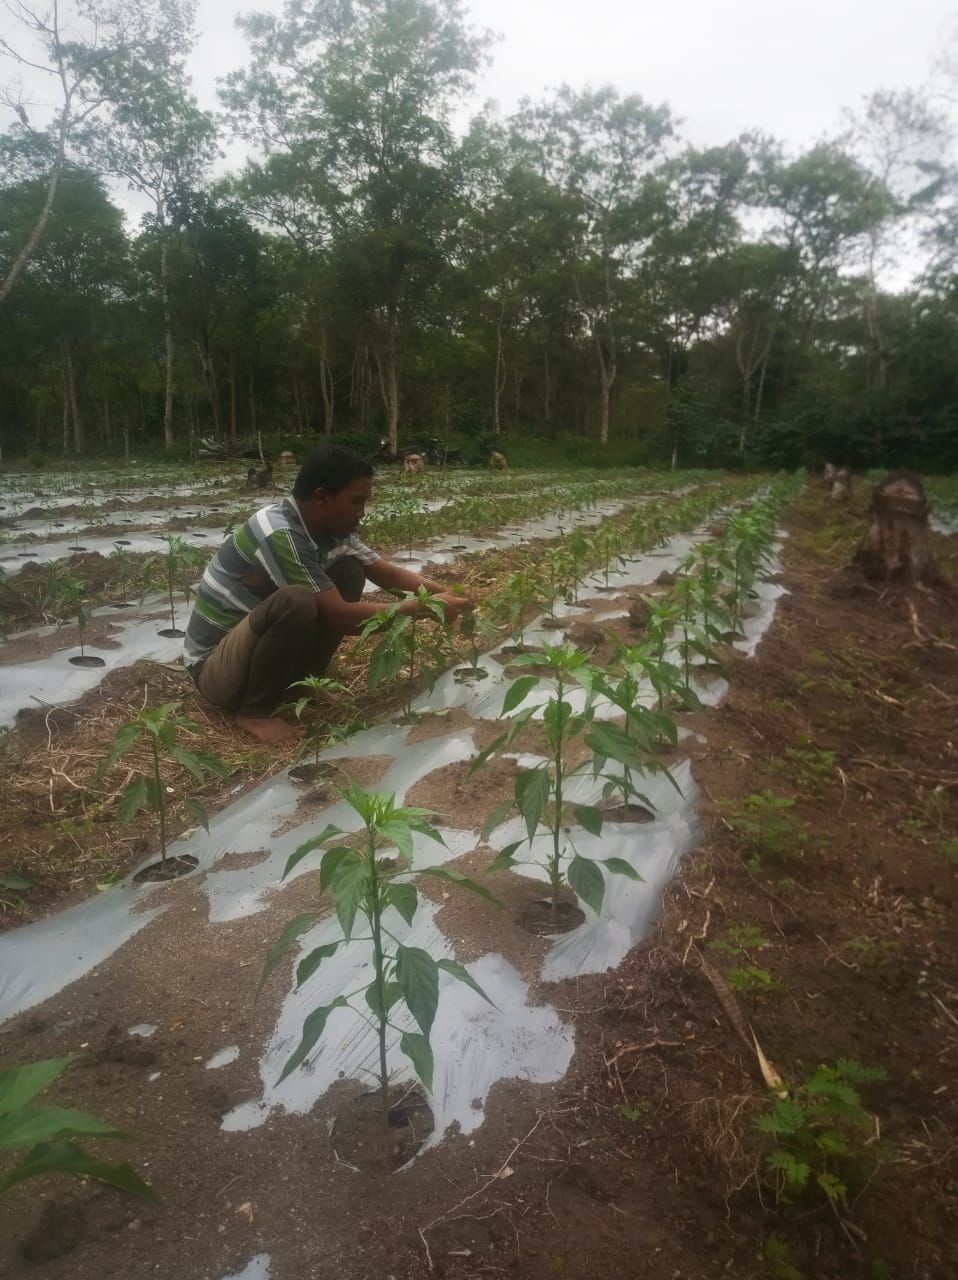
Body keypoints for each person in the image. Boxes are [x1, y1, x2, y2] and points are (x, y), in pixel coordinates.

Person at [184, 444, 474, 744]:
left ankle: (299, 681)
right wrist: (423, 608)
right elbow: (340, 616)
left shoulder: (331, 530)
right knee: (296, 602)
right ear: (322, 497)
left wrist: (449, 593)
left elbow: (384, 573)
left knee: (349, 569)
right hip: (216, 669)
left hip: (252, 649)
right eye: (356, 502)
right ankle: (254, 712)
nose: (362, 513)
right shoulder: (279, 532)